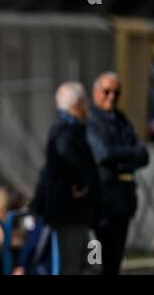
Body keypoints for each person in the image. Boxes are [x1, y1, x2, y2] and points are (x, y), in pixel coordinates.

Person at [87, 72, 149, 275]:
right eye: (106, 91)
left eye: (116, 92)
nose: (111, 97)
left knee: (114, 260)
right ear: (96, 92)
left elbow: (143, 154)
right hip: (103, 201)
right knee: (97, 261)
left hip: (123, 200)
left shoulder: (121, 120)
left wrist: (120, 157)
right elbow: (103, 154)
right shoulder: (91, 119)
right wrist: (128, 156)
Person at [40, 82, 100, 274]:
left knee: (91, 264)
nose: (87, 106)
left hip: (79, 214)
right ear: (77, 103)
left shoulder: (72, 128)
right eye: (85, 101)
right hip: (69, 213)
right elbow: (67, 154)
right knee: (72, 265)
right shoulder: (64, 128)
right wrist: (81, 181)